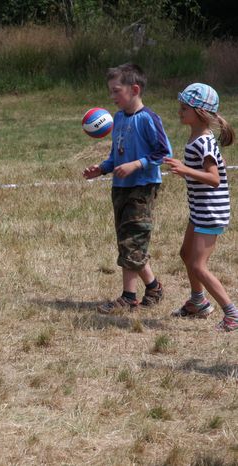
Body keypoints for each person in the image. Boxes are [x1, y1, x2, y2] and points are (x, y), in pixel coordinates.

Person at [83, 63, 171, 314]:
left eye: (116, 91)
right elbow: (116, 154)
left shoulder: (148, 118)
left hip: (142, 188)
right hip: (120, 187)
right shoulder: (119, 118)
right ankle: (153, 287)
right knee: (128, 242)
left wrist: (137, 164)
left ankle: (129, 297)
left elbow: (164, 152)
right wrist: (102, 168)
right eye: (110, 91)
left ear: (134, 89)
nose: (112, 96)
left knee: (132, 241)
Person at [163, 83, 238, 332]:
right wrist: (186, 170)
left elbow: (214, 178)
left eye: (184, 108)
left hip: (210, 212)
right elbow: (212, 168)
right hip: (200, 209)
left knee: (198, 265)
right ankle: (198, 302)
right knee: (186, 254)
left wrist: (185, 169)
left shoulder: (203, 142)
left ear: (200, 113)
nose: (179, 111)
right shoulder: (199, 139)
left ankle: (232, 314)